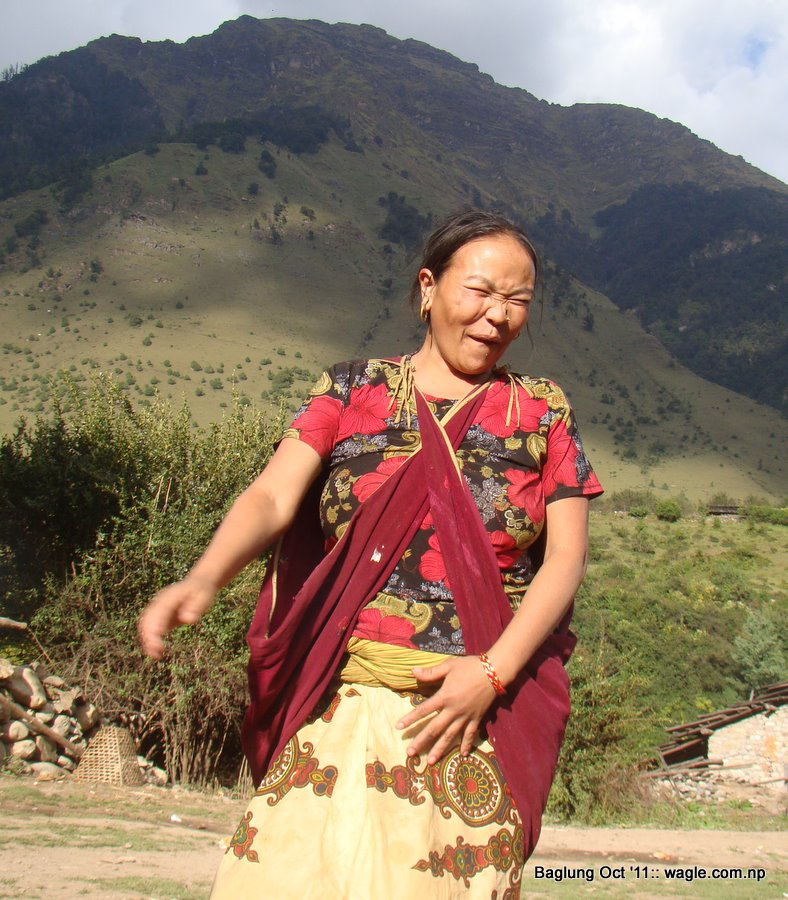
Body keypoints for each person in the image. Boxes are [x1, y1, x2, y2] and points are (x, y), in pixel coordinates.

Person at [139, 210, 603, 898]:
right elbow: (272, 495)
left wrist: (492, 674)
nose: (498, 315)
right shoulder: (352, 390)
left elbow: (565, 559)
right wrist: (205, 576)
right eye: (480, 291)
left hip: (471, 719)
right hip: (341, 705)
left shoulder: (539, 411)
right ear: (428, 288)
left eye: (518, 300)